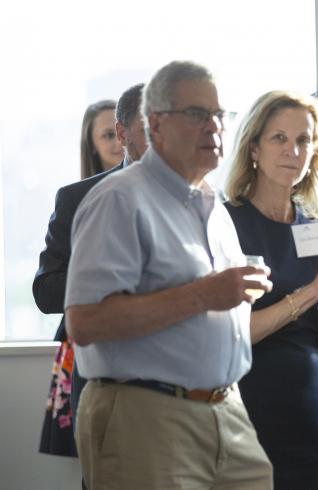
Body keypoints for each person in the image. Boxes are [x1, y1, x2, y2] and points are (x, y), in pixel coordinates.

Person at [64, 61, 273, 489]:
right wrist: (204, 296)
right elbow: (84, 323)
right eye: (197, 114)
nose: (213, 127)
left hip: (228, 410)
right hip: (146, 414)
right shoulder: (121, 199)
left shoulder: (213, 205)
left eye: (219, 116)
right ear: (155, 124)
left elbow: (215, 301)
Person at [224, 90, 318, 490]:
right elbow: (236, 334)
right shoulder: (224, 223)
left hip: (306, 400)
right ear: (253, 148)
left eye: (304, 140)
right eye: (279, 138)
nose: (293, 150)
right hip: (245, 398)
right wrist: (315, 288)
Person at [35, 83, 146, 459]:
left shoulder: (202, 201)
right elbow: (46, 290)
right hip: (105, 380)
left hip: (183, 387)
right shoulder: (77, 198)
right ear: (123, 133)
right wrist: (113, 279)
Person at [80, 99, 124, 179]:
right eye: (109, 135)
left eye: (123, 131)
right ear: (91, 143)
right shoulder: (78, 191)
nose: (120, 142)